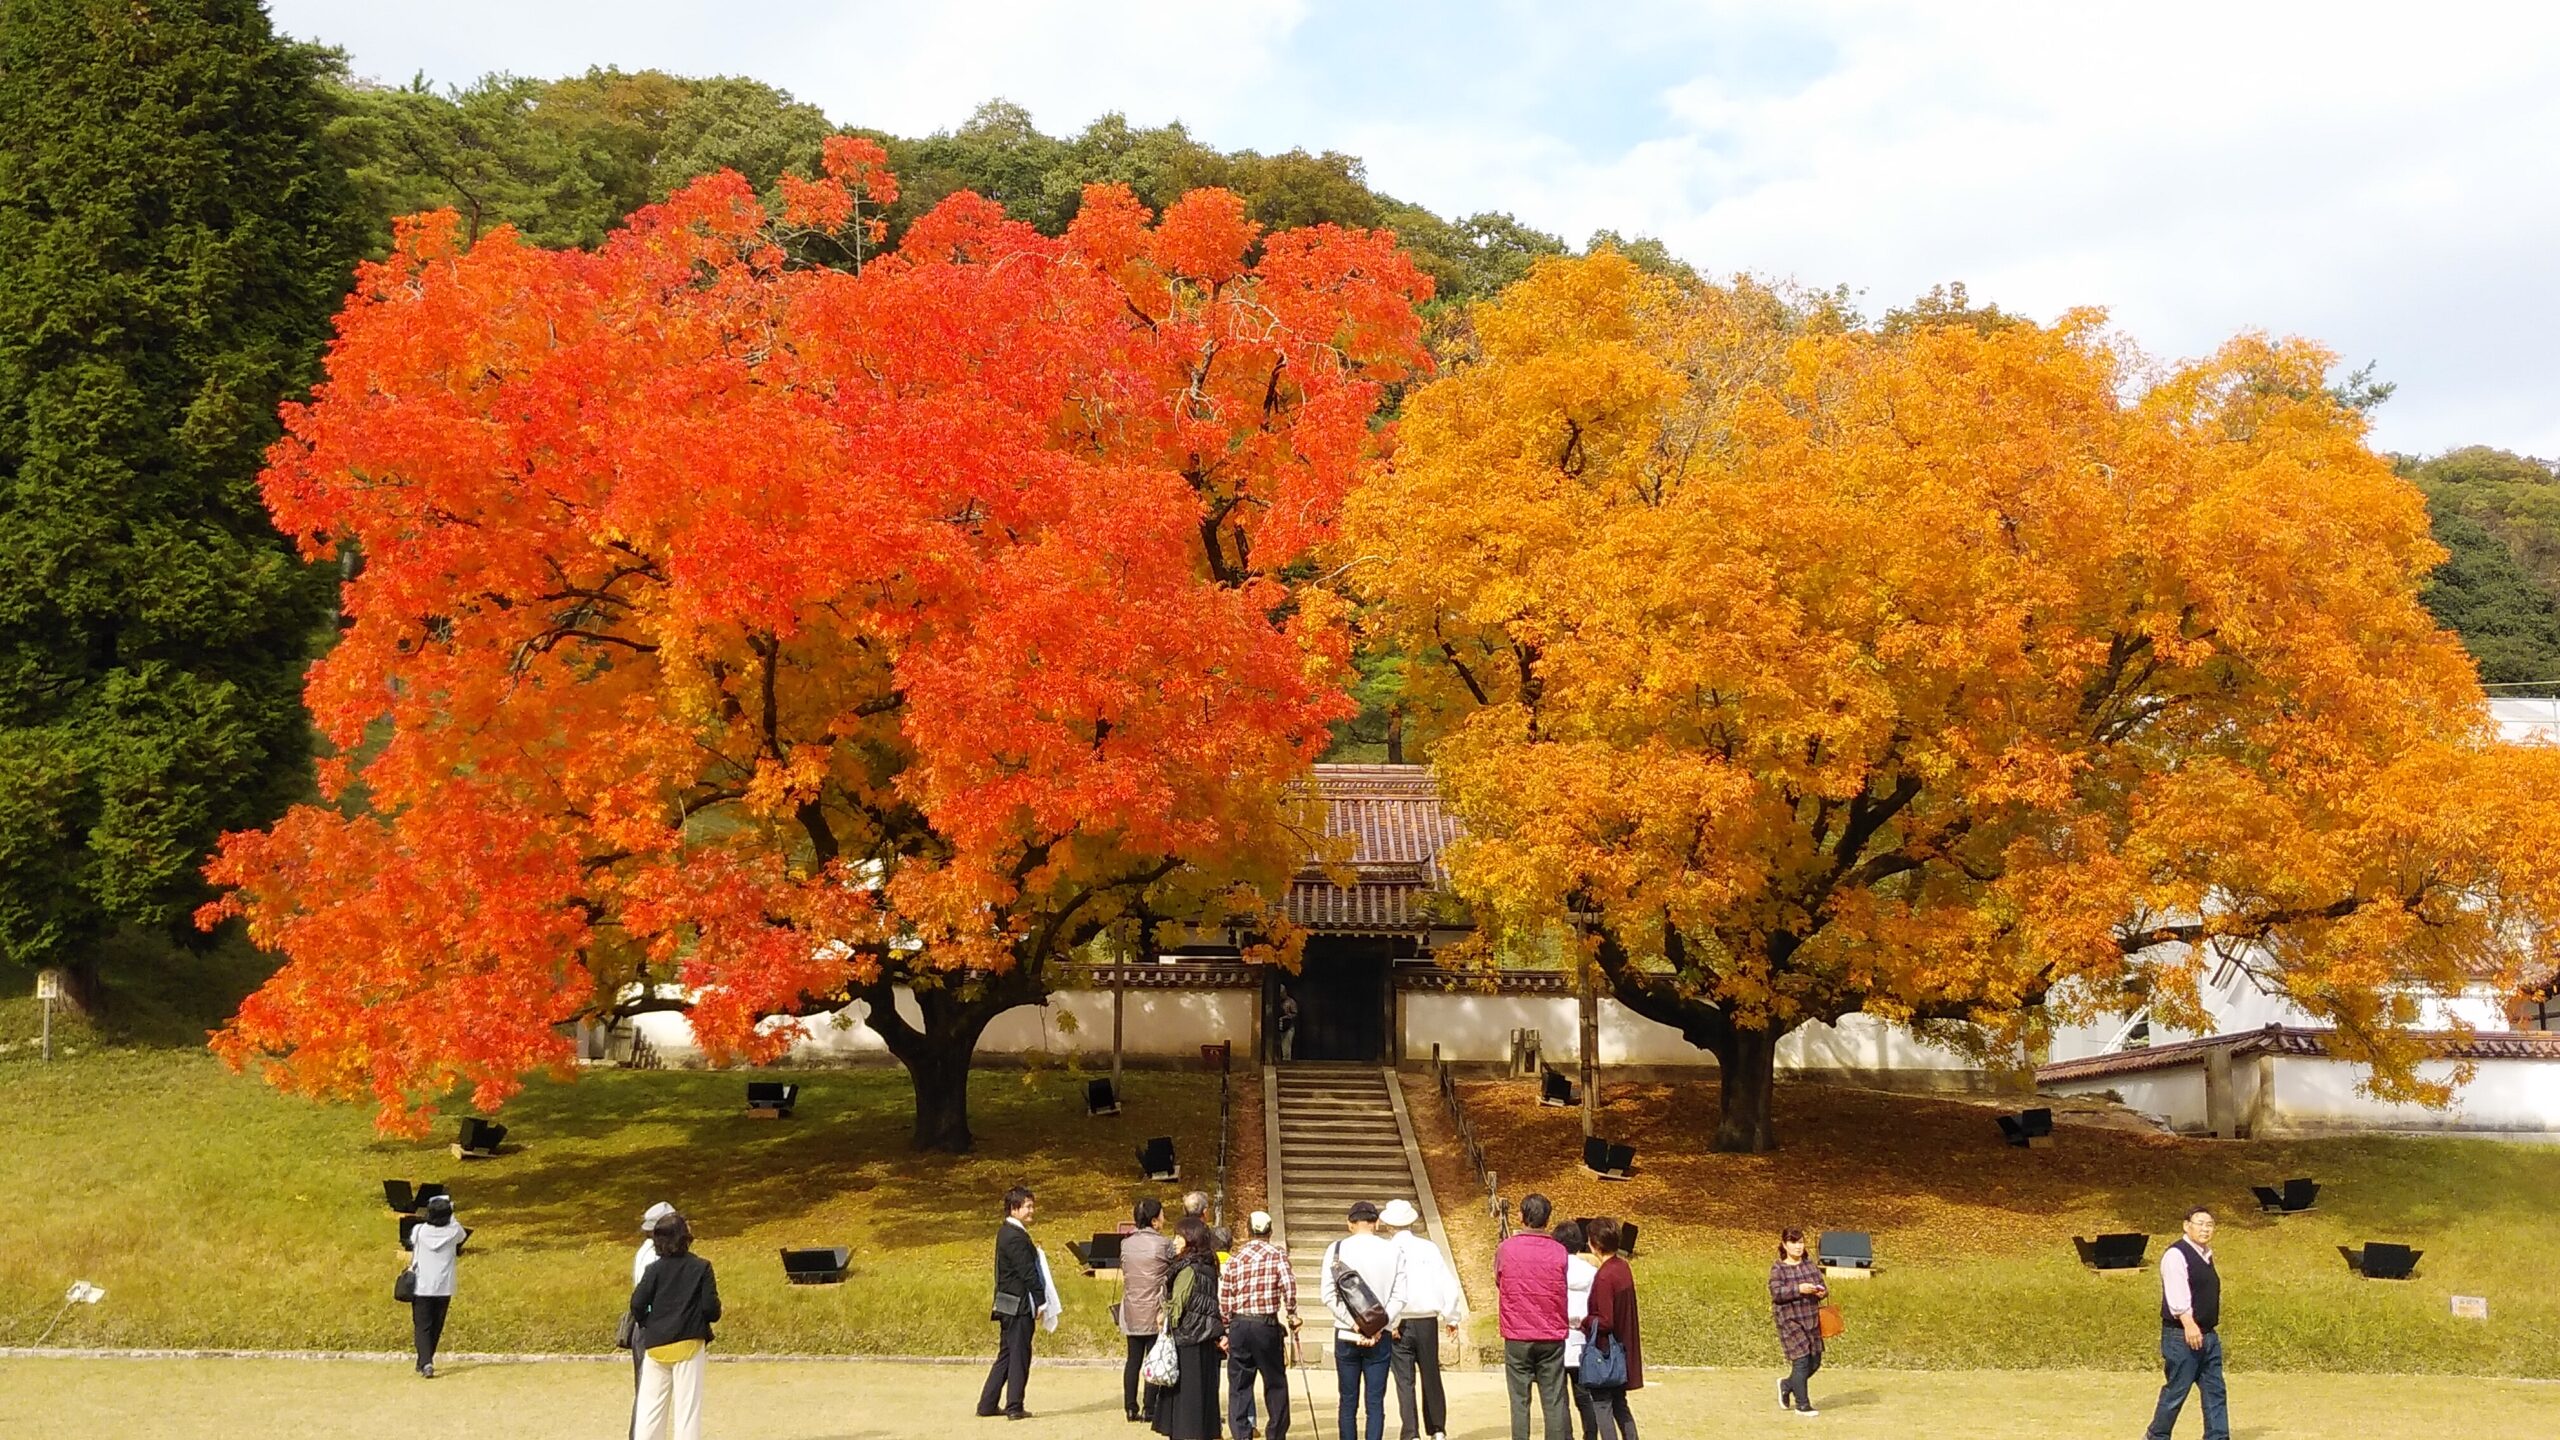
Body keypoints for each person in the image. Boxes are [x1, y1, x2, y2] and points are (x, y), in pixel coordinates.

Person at [629, 1211, 721, 1440]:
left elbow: (637, 1304)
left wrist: (649, 1324)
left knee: (650, 1411)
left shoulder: (653, 1270)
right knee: (687, 1412)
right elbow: (711, 1309)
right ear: (685, 1237)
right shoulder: (701, 1267)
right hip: (689, 1345)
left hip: (656, 1346)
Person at [1381, 1199, 1464, 1440]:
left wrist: (1389, 1322)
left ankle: (1411, 1432)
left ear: (1387, 1224)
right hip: (1427, 1319)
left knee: (1404, 1380)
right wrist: (1452, 1315)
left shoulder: (1386, 1250)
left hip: (1400, 1321)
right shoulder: (1429, 1248)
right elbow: (1446, 1282)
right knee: (1431, 1374)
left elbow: (1386, 1288)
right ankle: (1437, 1428)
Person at [2145, 1206, 2229, 1440]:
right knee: (2177, 1392)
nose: (2205, 1228)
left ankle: (2218, 1436)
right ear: (2186, 1225)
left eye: (2209, 1224)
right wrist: (2189, 1324)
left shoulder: (2206, 1254)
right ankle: (2157, 1436)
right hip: (2182, 1335)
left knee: (2215, 1391)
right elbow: (2177, 1295)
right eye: (2200, 1223)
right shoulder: (2176, 1254)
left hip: (2208, 1335)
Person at [1321, 1200, 1403, 1440]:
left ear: (1350, 1224)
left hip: (1346, 1333)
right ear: (1376, 1223)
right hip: (1381, 1334)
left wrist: (1355, 1323)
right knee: (1375, 1402)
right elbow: (1400, 1296)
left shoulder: (1336, 1250)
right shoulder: (1393, 1251)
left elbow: (1327, 1295)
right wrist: (1377, 1328)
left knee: (1347, 1400)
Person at [1494, 1194, 1572, 1440]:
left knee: (1519, 1399)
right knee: (1554, 1398)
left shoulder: (1506, 1248)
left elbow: (1499, 1280)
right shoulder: (1559, 1251)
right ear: (1547, 1220)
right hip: (1551, 1333)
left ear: (1521, 1216)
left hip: (1517, 1334)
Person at [1220, 1210, 1299, 1440]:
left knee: (1239, 1383)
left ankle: (1241, 1433)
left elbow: (1225, 1296)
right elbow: (1289, 1287)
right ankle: (1275, 1433)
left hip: (1240, 1323)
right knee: (1275, 1381)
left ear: (1247, 1231)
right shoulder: (1277, 1255)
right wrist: (1292, 1312)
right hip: (1265, 1325)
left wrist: (1226, 1325)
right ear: (1270, 1231)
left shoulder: (1236, 1258)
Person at [1152, 1217, 1227, 1440]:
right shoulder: (1208, 1264)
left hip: (1187, 1338)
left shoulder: (1187, 1269)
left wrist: (1162, 1311)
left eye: (1178, 1236)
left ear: (1189, 1239)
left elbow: (1177, 1308)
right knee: (1203, 1398)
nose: (1174, 1241)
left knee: (1187, 1403)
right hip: (1205, 1337)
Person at [978, 1186, 1044, 1420]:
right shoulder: (1015, 1236)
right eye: (1028, 1206)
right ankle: (1015, 1406)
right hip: (1018, 1304)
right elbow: (1028, 1273)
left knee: (1006, 1353)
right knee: (1019, 1354)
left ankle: (987, 1403)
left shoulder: (1006, 1232)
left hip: (1007, 1301)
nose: (1031, 1210)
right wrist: (1041, 1300)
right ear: (1014, 1209)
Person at [1579, 1219, 1642, 1440]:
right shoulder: (1622, 1267)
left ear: (1595, 1243)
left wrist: (1584, 1322)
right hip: (1622, 1351)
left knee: (1603, 1406)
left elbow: (1605, 1321)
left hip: (1606, 1354)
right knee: (1619, 1404)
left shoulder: (1605, 1276)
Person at [1120, 1197, 1176, 1424]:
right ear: (1155, 1220)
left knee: (1133, 1359)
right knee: (1155, 1357)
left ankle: (1130, 1407)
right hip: (1155, 1308)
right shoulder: (1164, 1244)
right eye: (1162, 1215)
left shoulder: (1126, 1243)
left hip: (1132, 1307)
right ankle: (1149, 1407)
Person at [1768, 1227, 1828, 1415]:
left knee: (1815, 1360)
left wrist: (1820, 1291)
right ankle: (1802, 1405)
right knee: (1801, 1361)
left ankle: (1787, 1384)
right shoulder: (1778, 1268)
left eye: (1801, 1242)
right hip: (1790, 1320)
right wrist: (1798, 1289)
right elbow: (1777, 1293)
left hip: (1810, 1318)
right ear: (1785, 1245)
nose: (1798, 1247)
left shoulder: (1810, 1265)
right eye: (1793, 1242)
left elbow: (1823, 1287)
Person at [627, 1200, 678, 1420]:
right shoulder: (655, 1257)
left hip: (649, 1323)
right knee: (649, 1394)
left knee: (648, 1393)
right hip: (652, 1324)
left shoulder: (646, 1251)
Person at [406, 1194, 464, 1378]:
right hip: (444, 1286)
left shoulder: (419, 1231)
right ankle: (425, 1360)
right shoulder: (453, 1232)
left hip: (422, 1285)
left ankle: (425, 1362)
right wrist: (451, 1212)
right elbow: (461, 1234)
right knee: (436, 1325)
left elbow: (411, 1242)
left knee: (422, 1326)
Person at [1554, 1222, 1599, 1440]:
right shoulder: (1592, 1273)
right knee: (1584, 1396)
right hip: (1583, 1339)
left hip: (1557, 1339)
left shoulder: (1553, 1271)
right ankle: (1590, 1435)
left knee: (1560, 1398)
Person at [1278, 990, 1299, 1061]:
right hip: (1278, 1025)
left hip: (1288, 1026)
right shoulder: (1277, 1002)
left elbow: (1295, 1014)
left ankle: (1286, 1060)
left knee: (1286, 1045)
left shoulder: (1290, 1002)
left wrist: (1285, 1017)